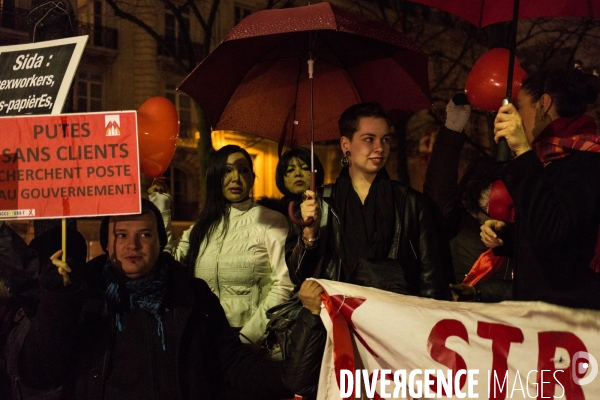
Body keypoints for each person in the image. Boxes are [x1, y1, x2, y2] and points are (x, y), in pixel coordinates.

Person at [15, 199, 325, 399]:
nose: (133, 245)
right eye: (122, 235)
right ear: (107, 244)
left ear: (160, 241)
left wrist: (287, 376)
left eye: (145, 234)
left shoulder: (192, 295)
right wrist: (57, 301)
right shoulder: (83, 296)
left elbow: (230, 363)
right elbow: (40, 373)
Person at [287, 102, 451, 300]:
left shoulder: (412, 204)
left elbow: (431, 280)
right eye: (369, 139)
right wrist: (309, 234)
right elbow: (297, 276)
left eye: (385, 140)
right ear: (346, 145)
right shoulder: (318, 203)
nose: (380, 148)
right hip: (336, 318)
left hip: (395, 319)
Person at [482, 68, 600, 310]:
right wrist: (507, 233)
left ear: (543, 104)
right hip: (542, 318)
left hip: (571, 321)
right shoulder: (548, 159)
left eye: (521, 105)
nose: (514, 114)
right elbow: (546, 230)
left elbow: (554, 232)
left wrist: (524, 152)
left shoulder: (587, 159)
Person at [154, 145, 295, 346]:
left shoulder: (270, 220)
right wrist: (161, 208)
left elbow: (284, 285)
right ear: (215, 177)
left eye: (243, 170)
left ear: (253, 178)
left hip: (252, 341)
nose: (236, 178)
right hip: (204, 337)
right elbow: (168, 263)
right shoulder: (202, 226)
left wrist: (249, 337)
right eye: (227, 170)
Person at [424, 97, 514, 302]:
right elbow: (438, 190)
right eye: (490, 185)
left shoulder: (519, 231)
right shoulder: (457, 223)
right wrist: (452, 130)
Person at [257, 146, 325, 217]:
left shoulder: (328, 205)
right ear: (282, 177)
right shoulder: (270, 212)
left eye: (305, 168)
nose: (298, 174)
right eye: (290, 170)